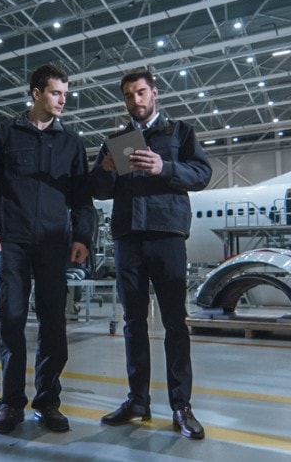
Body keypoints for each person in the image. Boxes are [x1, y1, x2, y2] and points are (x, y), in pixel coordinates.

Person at [90, 68, 212, 440]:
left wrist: (166, 167)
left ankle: (181, 406)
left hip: (166, 235)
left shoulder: (180, 133)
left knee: (176, 322)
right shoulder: (115, 140)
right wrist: (106, 170)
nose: (135, 101)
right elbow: (97, 189)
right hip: (128, 238)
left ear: (154, 93)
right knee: (133, 323)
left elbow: (203, 173)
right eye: (128, 95)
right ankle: (138, 401)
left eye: (141, 92)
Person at [0, 64, 95, 434]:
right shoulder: (6, 134)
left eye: (65, 94)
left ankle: (48, 402)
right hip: (12, 242)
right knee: (11, 321)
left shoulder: (72, 144)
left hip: (54, 245)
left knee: (54, 324)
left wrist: (82, 237)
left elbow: (82, 200)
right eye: (56, 93)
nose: (62, 100)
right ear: (36, 92)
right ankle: (11, 405)